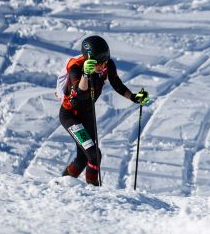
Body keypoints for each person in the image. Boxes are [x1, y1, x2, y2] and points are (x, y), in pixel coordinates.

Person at [58, 35, 150, 186]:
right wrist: (86, 75)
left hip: (87, 114)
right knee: (94, 155)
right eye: (98, 62)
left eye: (105, 60)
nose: (102, 65)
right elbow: (78, 96)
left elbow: (117, 84)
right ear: (88, 60)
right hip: (71, 116)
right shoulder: (76, 69)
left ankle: (61, 184)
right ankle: (93, 193)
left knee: (83, 158)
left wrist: (134, 97)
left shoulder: (107, 65)